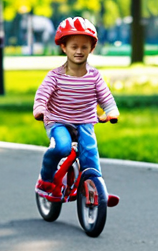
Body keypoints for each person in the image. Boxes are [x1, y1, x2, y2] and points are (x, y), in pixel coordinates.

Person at [33, 16, 120, 201]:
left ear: (92, 48)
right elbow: (42, 95)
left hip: (85, 121)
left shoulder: (95, 76)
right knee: (62, 147)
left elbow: (106, 97)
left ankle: (95, 189)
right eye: (74, 47)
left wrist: (111, 111)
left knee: (90, 151)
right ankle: (46, 180)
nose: (79, 51)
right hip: (58, 121)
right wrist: (40, 109)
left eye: (84, 47)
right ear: (64, 47)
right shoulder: (55, 76)